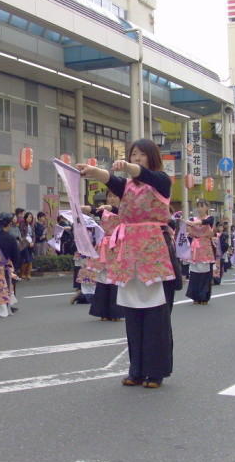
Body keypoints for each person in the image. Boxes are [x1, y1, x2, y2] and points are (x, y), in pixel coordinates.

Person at [77, 139, 180, 389]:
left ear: (152, 157)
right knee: (133, 314)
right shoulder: (129, 187)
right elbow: (112, 180)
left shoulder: (161, 181)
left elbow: (141, 174)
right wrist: (93, 172)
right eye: (133, 154)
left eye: (141, 154)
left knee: (157, 315)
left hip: (154, 251)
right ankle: (136, 370)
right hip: (129, 252)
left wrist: (128, 167)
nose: (137, 158)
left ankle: (156, 372)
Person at [88, 199, 125, 322]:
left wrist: (111, 208)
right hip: (106, 246)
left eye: (115, 196)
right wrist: (84, 208)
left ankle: (114, 313)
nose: (112, 198)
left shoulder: (124, 211)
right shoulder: (103, 212)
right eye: (110, 196)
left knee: (114, 278)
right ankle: (103, 312)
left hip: (116, 245)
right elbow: (94, 210)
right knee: (103, 278)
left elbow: (120, 211)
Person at [185, 199, 215, 305]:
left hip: (205, 246)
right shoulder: (192, 219)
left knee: (205, 272)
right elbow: (187, 230)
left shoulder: (210, 219)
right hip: (195, 247)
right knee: (194, 272)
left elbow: (207, 223)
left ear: (207, 208)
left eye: (202, 206)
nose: (200, 208)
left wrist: (194, 223)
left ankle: (204, 296)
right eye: (198, 206)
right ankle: (195, 296)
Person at [18, 211, 35, 279]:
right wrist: (28, 242)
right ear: (25, 217)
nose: (30, 218)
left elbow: (34, 235)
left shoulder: (31, 225)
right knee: (26, 259)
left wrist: (33, 242)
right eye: (29, 217)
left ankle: (28, 274)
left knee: (30, 259)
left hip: (31, 244)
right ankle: (22, 273)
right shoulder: (22, 224)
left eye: (31, 217)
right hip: (24, 244)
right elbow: (22, 235)